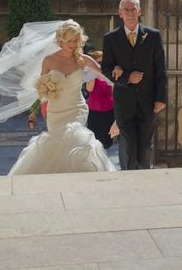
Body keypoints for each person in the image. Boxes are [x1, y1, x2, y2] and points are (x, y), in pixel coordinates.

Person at [9, 20, 115, 174]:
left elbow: (107, 75)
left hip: (76, 108)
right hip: (56, 111)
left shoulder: (83, 60)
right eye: (68, 40)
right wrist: (34, 111)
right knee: (57, 144)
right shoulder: (49, 60)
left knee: (75, 138)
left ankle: (79, 176)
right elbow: (41, 88)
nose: (72, 44)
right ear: (60, 40)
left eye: (75, 40)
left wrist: (124, 78)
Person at [102, 0, 167, 170]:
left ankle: (145, 180)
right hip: (124, 102)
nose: (130, 13)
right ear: (120, 13)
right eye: (126, 10)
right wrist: (127, 78)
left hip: (148, 102)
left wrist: (161, 98)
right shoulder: (110, 38)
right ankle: (128, 179)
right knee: (128, 145)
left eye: (133, 9)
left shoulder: (153, 35)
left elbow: (161, 69)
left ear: (139, 12)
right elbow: (106, 69)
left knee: (145, 146)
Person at [85, 50, 117, 149]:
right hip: (94, 110)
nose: (101, 65)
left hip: (109, 110)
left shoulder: (110, 75)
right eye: (98, 63)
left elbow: (114, 93)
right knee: (94, 139)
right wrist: (93, 72)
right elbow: (89, 89)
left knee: (107, 141)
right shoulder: (90, 75)